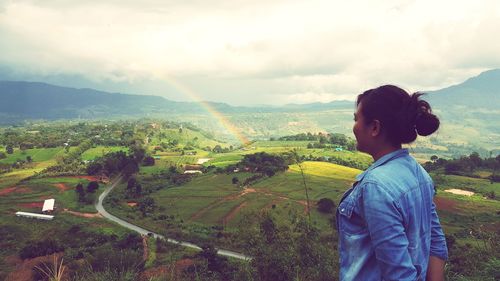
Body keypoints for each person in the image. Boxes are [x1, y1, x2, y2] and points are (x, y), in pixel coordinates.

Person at [336, 85, 448, 281]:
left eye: (356, 119)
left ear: (375, 128)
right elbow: (436, 244)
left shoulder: (376, 187)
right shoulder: (418, 173)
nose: (354, 127)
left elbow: (399, 275)